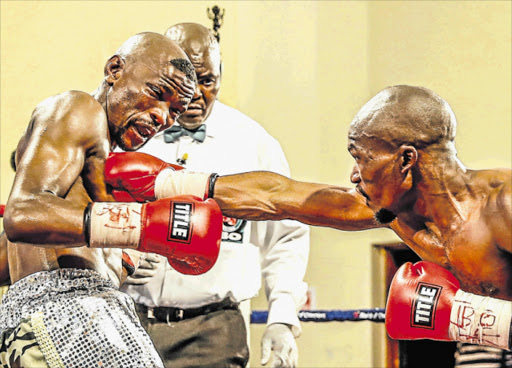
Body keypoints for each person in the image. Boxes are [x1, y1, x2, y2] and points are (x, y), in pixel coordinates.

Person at [106, 85, 512, 354]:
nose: (354, 175)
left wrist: (479, 321)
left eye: (362, 158)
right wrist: (171, 182)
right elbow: (280, 196)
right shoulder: (390, 210)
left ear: (406, 160)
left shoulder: (503, 207)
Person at [0, 32, 223, 368]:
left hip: (78, 317)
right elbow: (21, 214)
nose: (163, 117)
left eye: (175, 112)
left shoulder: (103, 170)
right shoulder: (79, 109)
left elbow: (13, 252)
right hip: (67, 319)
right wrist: (140, 228)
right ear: (115, 69)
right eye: (158, 94)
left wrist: (125, 258)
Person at [119, 23, 310, 368]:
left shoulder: (254, 143)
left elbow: (287, 237)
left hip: (213, 330)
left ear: (222, 74)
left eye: (206, 80)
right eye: (184, 81)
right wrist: (118, 250)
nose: (193, 94)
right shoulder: (130, 130)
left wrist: (282, 318)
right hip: (126, 318)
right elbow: (83, 210)